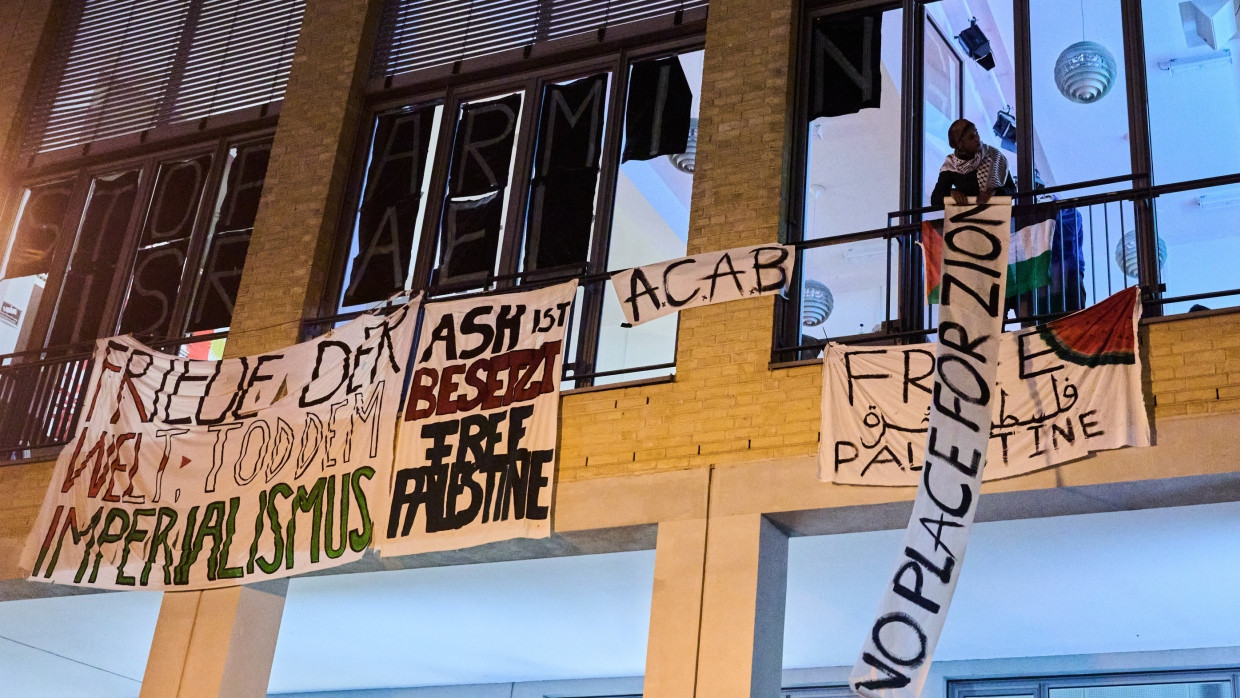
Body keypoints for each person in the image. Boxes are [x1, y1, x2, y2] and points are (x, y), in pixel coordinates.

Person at [929, 118, 1015, 208]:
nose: (977, 139)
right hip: (965, 219)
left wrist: (994, 192)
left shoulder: (994, 156)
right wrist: (951, 193)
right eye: (971, 137)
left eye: (976, 133)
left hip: (995, 217)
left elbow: (1012, 190)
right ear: (960, 144)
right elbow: (935, 199)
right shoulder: (951, 165)